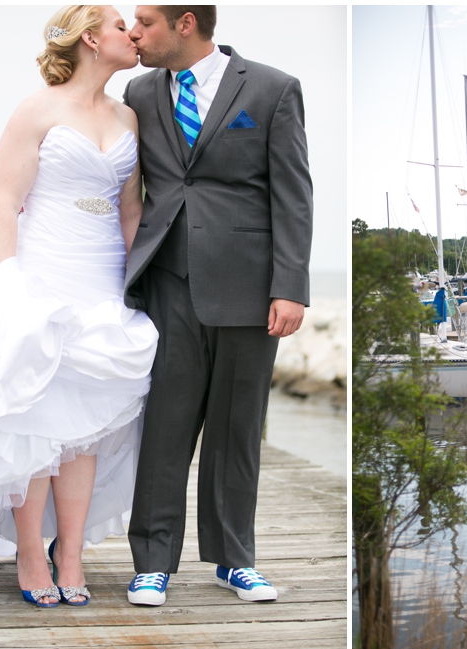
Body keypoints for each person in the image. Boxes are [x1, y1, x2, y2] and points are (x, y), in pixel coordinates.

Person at [0, 5, 158, 608]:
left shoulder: (128, 116)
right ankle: (28, 552)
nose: (133, 34)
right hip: (42, 274)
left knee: (87, 427)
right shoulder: (36, 109)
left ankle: (70, 553)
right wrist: (9, 287)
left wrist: (137, 285)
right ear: (92, 38)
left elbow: (129, 208)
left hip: (103, 279)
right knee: (36, 421)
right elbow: (3, 202)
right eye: (122, 25)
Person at [122, 5, 313, 605]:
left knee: (237, 429)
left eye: (145, 22)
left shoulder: (273, 88)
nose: (134, 33)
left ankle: (235, 560)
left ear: (185, 24)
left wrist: (291, 286)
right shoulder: (139, 91)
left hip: (250, 289)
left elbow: (293, 191)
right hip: (168, 281)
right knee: (165, 427)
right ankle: (153, 561)